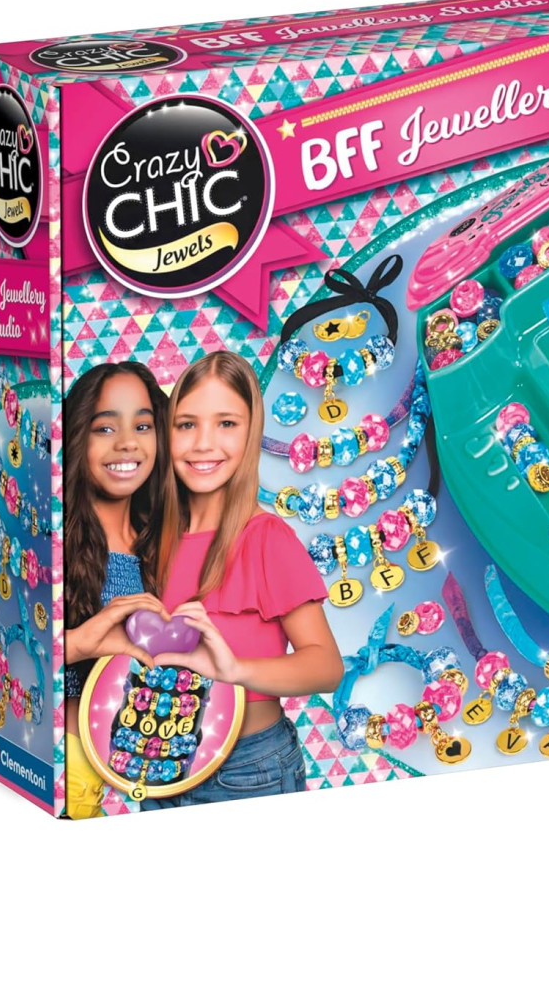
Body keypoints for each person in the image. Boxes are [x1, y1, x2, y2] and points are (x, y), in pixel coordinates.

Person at [142, 351, 343, 807]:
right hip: (160, 763)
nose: (203, 444)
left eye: (226, 424)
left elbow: (327, 667)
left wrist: (234, 670)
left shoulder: (265, 537)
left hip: (249, 769)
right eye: (186, 424)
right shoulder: (154, 538)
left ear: (252, 433)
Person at [62, 362, 170, 819]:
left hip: (144, 775)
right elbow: (4, 659)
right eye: (105, 427)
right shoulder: (53, 543)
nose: (127, 442)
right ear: (76, 437)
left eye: (142, 426)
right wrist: (82, 643)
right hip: (70, 768)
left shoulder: (160, 542)